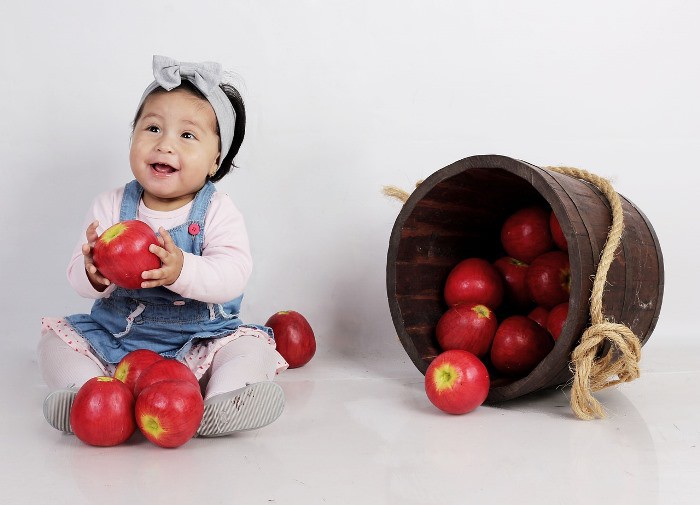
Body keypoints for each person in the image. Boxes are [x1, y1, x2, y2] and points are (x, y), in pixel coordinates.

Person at [38, 55, 288, 438]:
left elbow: (233, 275)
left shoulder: (217, 211)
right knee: (55, 340)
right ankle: (88, 396)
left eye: (187, 136)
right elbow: (76, 273)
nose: (165, 144)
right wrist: (93, 272)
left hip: (200, 341)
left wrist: (181, 269)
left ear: (214, 160)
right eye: (152, 128)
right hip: (118, 342)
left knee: (249, 348)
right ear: (133, 137)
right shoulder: (111, 205)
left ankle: (228, 398)